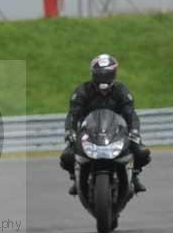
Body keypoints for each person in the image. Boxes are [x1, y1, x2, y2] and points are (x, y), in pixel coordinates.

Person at [60, 54, 151, 195]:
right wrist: (70, 131)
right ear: (93, 74)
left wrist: (134, 131)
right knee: (66, 156)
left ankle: (134, 176)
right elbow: (73, 114)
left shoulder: (121, 91)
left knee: (142, 152)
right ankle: (75, 179)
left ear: (114, 74)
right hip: (89, 133)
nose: (103, 79)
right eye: (99, 75)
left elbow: (130, 114)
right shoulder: (82, 91)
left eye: (107, 74)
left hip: (116, 133)